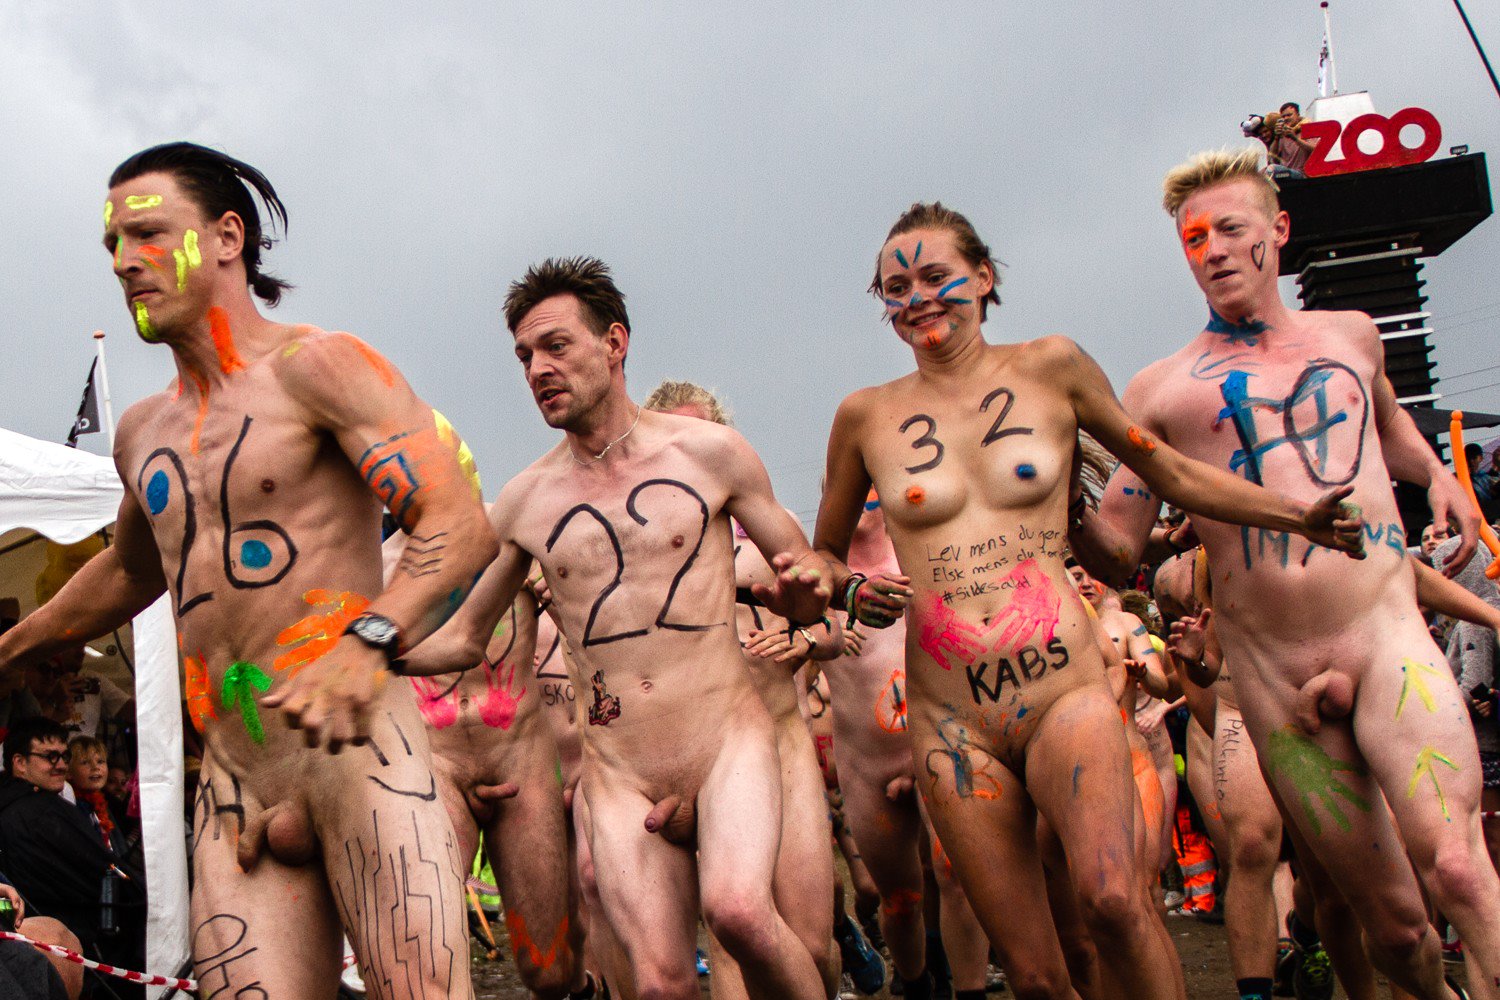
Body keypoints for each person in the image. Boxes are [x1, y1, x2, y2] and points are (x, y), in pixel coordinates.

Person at [812, 201, 1361, 1000]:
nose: (917, 297)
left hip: (1061, 690)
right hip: (952, 717)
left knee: (1112, 902)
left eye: (935, 276)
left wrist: (1295, 513)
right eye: (896, 288)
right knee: (1035, 976)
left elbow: (1169, 471)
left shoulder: (1053, 366)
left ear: (983, 277)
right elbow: (825, 557)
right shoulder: (865, 416)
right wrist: (850, 588)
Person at [0, 142, 497, 998]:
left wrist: (370, 641)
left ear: (228, 236)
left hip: (358, 755)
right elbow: (130, 569)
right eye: (113, 243)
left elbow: (457, 523)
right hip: (235, 781)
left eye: (149, 234)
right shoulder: (143, 432)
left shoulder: (321, 368)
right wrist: (13, 646)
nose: (123, 261)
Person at [1068, 147, 1498, 1000]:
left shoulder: (1351, 336)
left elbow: (1390, 426)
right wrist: (1062, 506)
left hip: (1386, 641)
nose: (1215, 250)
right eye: (1195, 238)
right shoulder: (1159, 393)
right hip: (1275, 677)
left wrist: (1440, 476)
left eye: (1231, 229)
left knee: (1456, 866)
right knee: (1397, 930)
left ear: (1280, 230)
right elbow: (1117, 551)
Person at [402, 256, 834, 1000]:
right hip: (621, 770)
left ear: (614, 342)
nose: (538, 369)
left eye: (556, 346)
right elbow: (466, 637)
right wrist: (369, 652)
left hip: (724, 742)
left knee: (739, 914)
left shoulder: (710, 455)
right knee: (661, 984)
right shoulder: (527, 500)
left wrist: (805, 593)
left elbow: (807, 583)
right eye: (524, 357)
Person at [642, 379, 842, 999]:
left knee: (810, 941)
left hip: (782, 739)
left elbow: (834, 627)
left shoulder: (765, 540)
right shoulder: (641, 561)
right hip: (707, 751)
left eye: (702, 434)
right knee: (734, 934)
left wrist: (804, 641)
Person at [0, 718, 146, 998]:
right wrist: (138, 891)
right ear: (19, 762)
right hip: (74, 948)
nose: (61, 765)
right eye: (50, 757)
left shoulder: (25, 805)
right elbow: (103, 872)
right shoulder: (40, 812)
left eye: (64, 756)